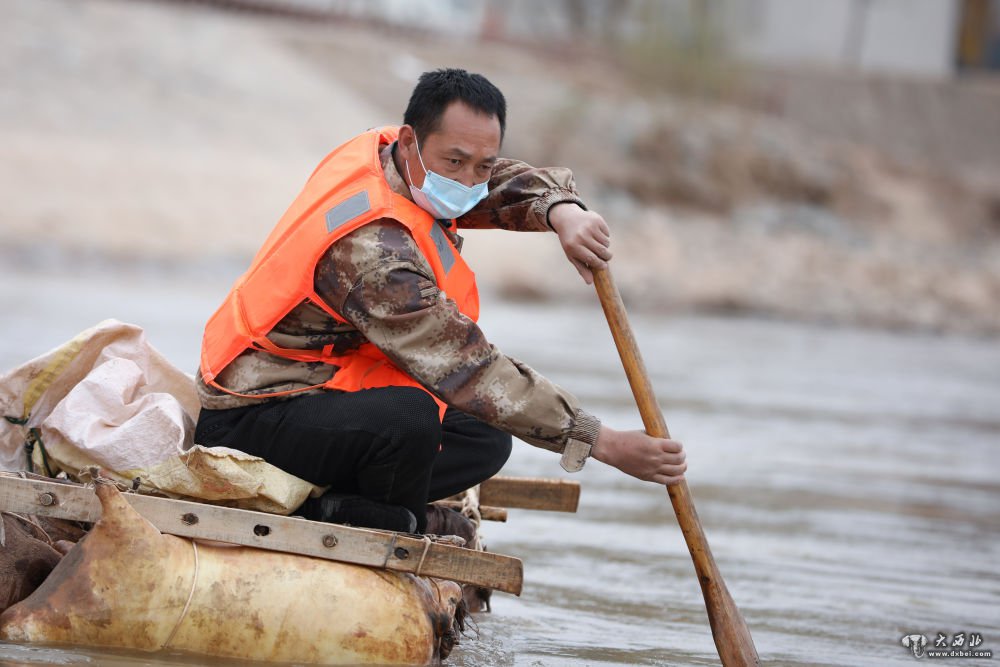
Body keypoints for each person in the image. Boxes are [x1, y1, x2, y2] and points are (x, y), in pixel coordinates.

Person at [194, 68, 686, 534]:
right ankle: (373, 517)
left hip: (325, 387)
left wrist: (560, 210)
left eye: (482, 163)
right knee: (409, 418)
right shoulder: (373, 255)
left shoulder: (386, 153)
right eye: (455, 162)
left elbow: (493, 180)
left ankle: (358, 499)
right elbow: (468, 368)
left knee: (484, 437)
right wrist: (600, 442)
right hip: (254, 412)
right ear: (412, 141)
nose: (470, 180)